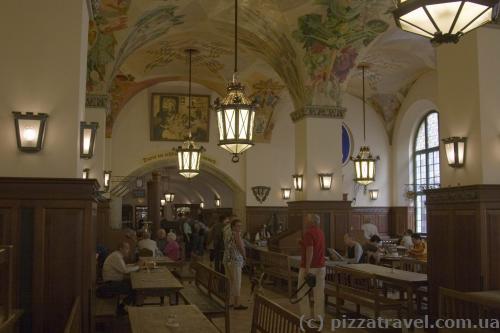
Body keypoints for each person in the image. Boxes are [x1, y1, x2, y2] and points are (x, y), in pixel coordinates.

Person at [297, 214, 326, 323]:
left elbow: (310, 250)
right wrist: (301, 242)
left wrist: (307, 268)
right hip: (321, 266)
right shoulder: (321, 232)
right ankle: (319, 317)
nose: (305, 221)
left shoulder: (308, 233)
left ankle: (306, 316)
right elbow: (316, 246)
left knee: (302, 291)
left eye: (307, 220)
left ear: (312, 222)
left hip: (310, 267)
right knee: (319, 292)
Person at [99, 242, 139, 314]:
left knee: (133, 285)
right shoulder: (116, 257)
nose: (129, 250)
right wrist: (138, 267)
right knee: (135, 289)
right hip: (110, 284)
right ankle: (122, 307)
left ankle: (123, 306)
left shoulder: (117, 255)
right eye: (127, 248)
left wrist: (134, 265)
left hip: (113, 282)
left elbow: (124, 266)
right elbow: (125, 270)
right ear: (121, 249)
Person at [223, 219, 247, 310]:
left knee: (230, 281)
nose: (239, 227)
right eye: (237, 226)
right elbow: (240, 247)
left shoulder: (227, 233)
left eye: (240, 226)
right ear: (233, 226)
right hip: (235, 261)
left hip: (227, 260)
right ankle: (236, 304)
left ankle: (229, 302)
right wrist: (245, 256)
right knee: (236, 282)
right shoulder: (236, 234)